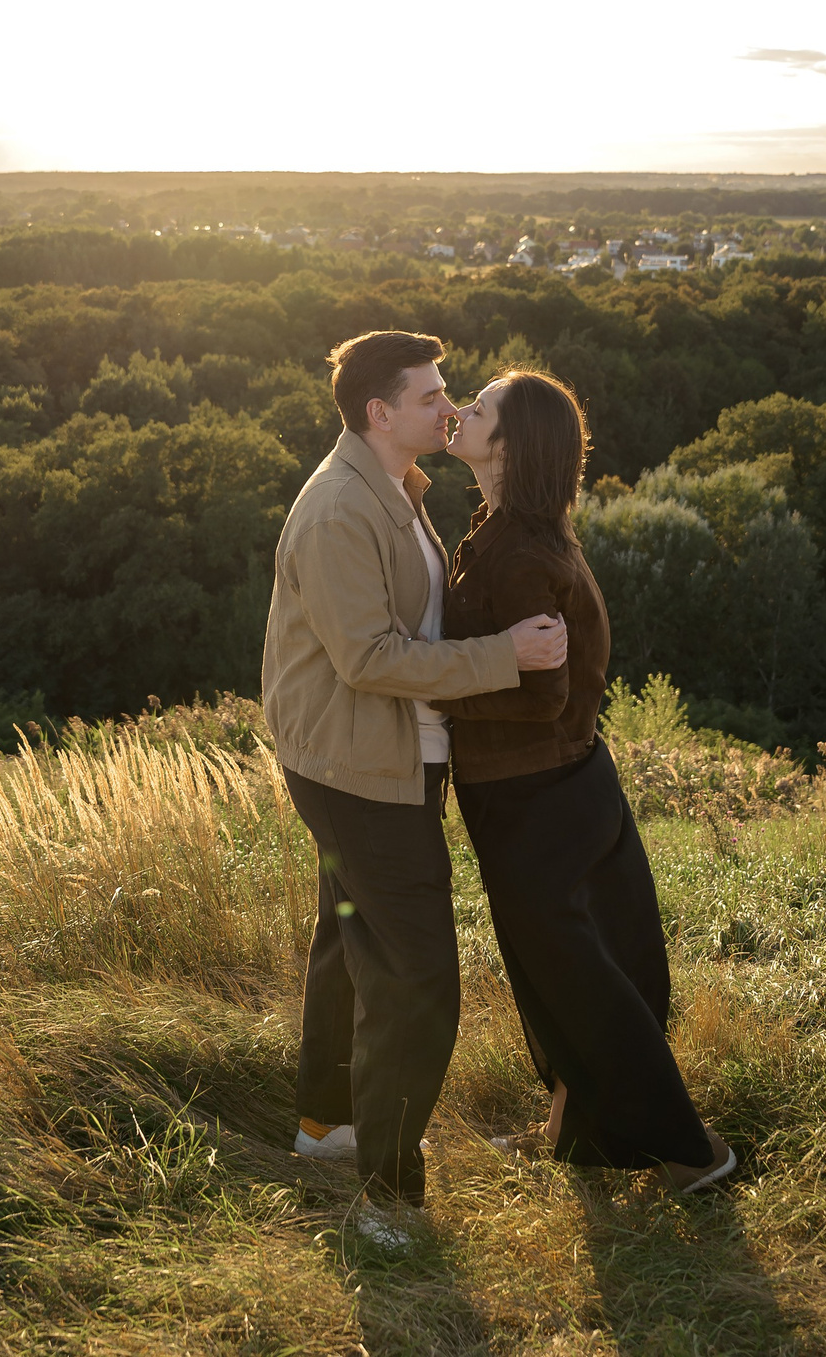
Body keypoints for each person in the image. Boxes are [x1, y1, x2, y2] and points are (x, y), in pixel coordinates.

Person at [261, 330, 570, 1236]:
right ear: (380, 413)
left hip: (380, 753)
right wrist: (504, 658)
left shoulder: (395, 484)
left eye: (450, 393)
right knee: (420, 978)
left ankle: (326, 1127)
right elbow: (367, 657)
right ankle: (386, 1199)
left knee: (348, 940)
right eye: (433, 396)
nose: (450, 406)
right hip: (358, 766)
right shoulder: (338, 513)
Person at [435, 368, 737, 1196]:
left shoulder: (522, 554)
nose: (463, 408)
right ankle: (574, 1130)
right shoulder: (519, 532)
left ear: (509, 444)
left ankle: (692, 1154)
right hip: (570, 789)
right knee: (579, 974)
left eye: (483, 406)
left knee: (578, 982)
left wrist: (424, 678)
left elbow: (541, 695)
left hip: (534, 800)